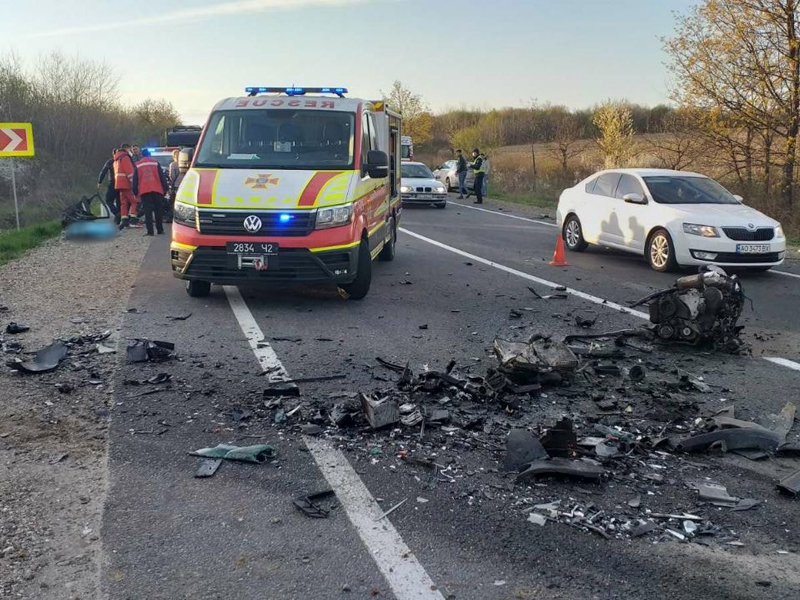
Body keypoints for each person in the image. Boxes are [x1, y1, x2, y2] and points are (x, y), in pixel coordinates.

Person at [134, 148, 169, 236]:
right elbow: (162, 177)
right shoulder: (155, 163)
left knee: (147, 211)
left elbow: (135, 180)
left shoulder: (138, 165)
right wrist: (165, 188)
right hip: (157, 190)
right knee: (158, 210)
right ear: (149, 155)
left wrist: (135, 192)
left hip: (144, 190)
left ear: (142, 155)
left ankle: (150, 232)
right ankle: (160, 229)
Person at [113, 143, 139, 229]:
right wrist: (134, 184)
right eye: (130, 150)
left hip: (118, 184)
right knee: (135, 201)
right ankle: (133, 220)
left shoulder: (116, 159)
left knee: (123, 203)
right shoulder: (125, 158)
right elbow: (130, 172)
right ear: (127, 149)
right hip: (126, 183)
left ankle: (124, 220)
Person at [97, 148, 120, 223]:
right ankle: (119, 217)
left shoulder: (110, 162)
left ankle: (117, 214)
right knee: (119, 201)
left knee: (109, 200)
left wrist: (99, 182)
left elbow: (103, 172)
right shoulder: (123, 161)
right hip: (122, 184)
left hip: (113, 184)